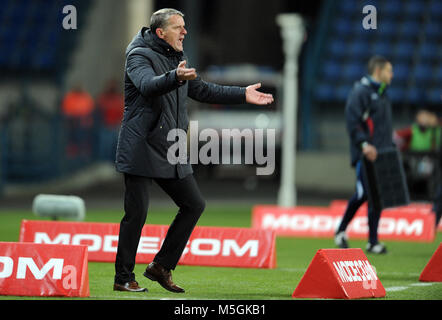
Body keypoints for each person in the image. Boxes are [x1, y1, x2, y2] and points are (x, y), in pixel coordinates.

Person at [113, 8, 273, 293]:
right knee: (136, 213)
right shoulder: (138, 55)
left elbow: (202, 90)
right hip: (141, 144)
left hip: (170, 145)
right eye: (178, 27)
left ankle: (161, 266)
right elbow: (147, 86)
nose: (185, 32)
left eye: (185, 26)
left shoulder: (175, 55)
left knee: (194, 204)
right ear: (160, 32)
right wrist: (174, 76)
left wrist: (242, 94)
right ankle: (123, 277)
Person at [334, 55, 394, 254]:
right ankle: (341, 231)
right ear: (378, 71)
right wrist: (364, 145)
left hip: (381, 154)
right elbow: (353, 121)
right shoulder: (361, 92)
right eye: (389, 70)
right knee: (363, 194)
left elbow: (381, 127)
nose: (392, 75)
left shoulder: (382, 93)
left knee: (376, 196)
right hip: (365, 154)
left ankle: (373, 242)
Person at [97, 79, 124, 161]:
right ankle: (104, 163)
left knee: (117, 147)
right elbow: (98, 111)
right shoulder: (103, 98)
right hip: (106, 126)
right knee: (105, 146)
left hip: (116, 127)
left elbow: (123, 112)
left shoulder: (120, 99)